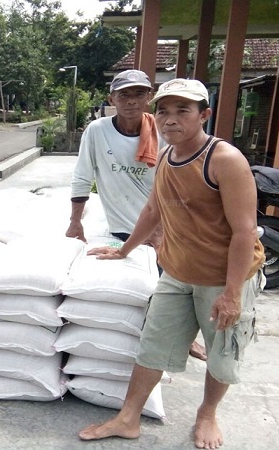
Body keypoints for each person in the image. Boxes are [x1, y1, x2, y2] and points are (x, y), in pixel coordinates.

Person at [78, 78, 265, 449]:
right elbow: (153, 209)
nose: (170, 119)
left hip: (222, 277)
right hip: (177, 272)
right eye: (163, 111)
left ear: (204, 115)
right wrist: (125, 249)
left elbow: (245, 233)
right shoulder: (166, 155)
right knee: (152, 344)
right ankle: (128, 418)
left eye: (183, 110)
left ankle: (207, 414)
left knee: (221, 352)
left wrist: (231, 294)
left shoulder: (224, 160)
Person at [66, 69, 207, 361]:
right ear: (112, 99)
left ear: (148, 97)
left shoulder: (164, 131)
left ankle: (186, 339)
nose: (131, 101)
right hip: (123, 228)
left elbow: (179, 179)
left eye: (139, 94)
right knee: (140, 291)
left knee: (180, 284)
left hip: (168, 222)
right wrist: (75, 220)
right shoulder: (97, 131)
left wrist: (167, 226)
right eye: (124, 94)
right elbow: (82, 177)